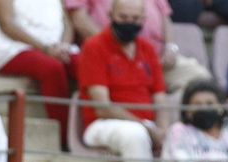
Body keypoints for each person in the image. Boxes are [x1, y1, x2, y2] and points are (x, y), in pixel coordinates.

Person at [77, 0, 169, 162]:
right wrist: (145, 126)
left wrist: (163, 130)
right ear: (110, 15)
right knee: (134, 135)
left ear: (144, 20)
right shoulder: (94, 46)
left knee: (178, 135)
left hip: (148, 126)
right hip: (100, 125)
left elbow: (160, 98)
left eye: (135, 19)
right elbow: (103, 107)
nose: (129, 23)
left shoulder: (147, 49)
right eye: (123, 18)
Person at [69, 0, 210, 93]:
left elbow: (165, 17)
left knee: (201, 79)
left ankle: (180, 132)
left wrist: (170, 47)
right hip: (114, 59)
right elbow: (79, 18)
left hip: (158, 59)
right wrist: (114, 45)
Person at [0, 0, 75, 139]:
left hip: (55, 49)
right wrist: (45, 49)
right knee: (52, 68)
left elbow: (67, 23)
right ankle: (65, 138)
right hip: (11, 50)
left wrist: (64, 45)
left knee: (83, 63)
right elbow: (7, 25)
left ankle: (93, 132)